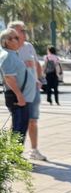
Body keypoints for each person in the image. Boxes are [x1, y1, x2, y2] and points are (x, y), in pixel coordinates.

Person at [7, 21, 47, 160]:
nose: (24, 33)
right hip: (19, 91)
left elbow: (37, 64)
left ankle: (34, 150)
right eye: (21, 30)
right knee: (18, 121)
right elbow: (7, 71)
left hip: (33, 90)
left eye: (24, 30)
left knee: (33, 120)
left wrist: (40, 79)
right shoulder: (8, 50)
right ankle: (14, 152)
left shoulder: (28, 46)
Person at [0, 28, 37, 143]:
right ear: (6, 41)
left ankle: (15, 153)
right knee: (18, 131)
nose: (19, 39)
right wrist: (19, 96)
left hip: (22, 98)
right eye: (15, 38)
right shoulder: (7, 56)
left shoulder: (12, 54)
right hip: (18, 99)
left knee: (20, 130)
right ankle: (14, 154)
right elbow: (9, 78)